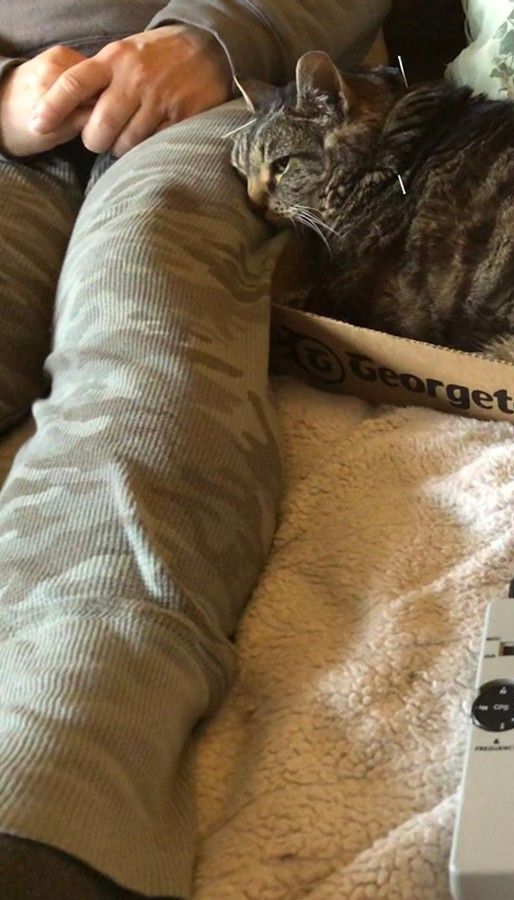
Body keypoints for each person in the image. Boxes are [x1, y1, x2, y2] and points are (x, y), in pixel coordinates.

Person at [0, 3, 388, 897]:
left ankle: (58, 778)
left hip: (246, 102)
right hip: (21, 135)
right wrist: (7, 95)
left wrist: (212, 37)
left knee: (147, 302)